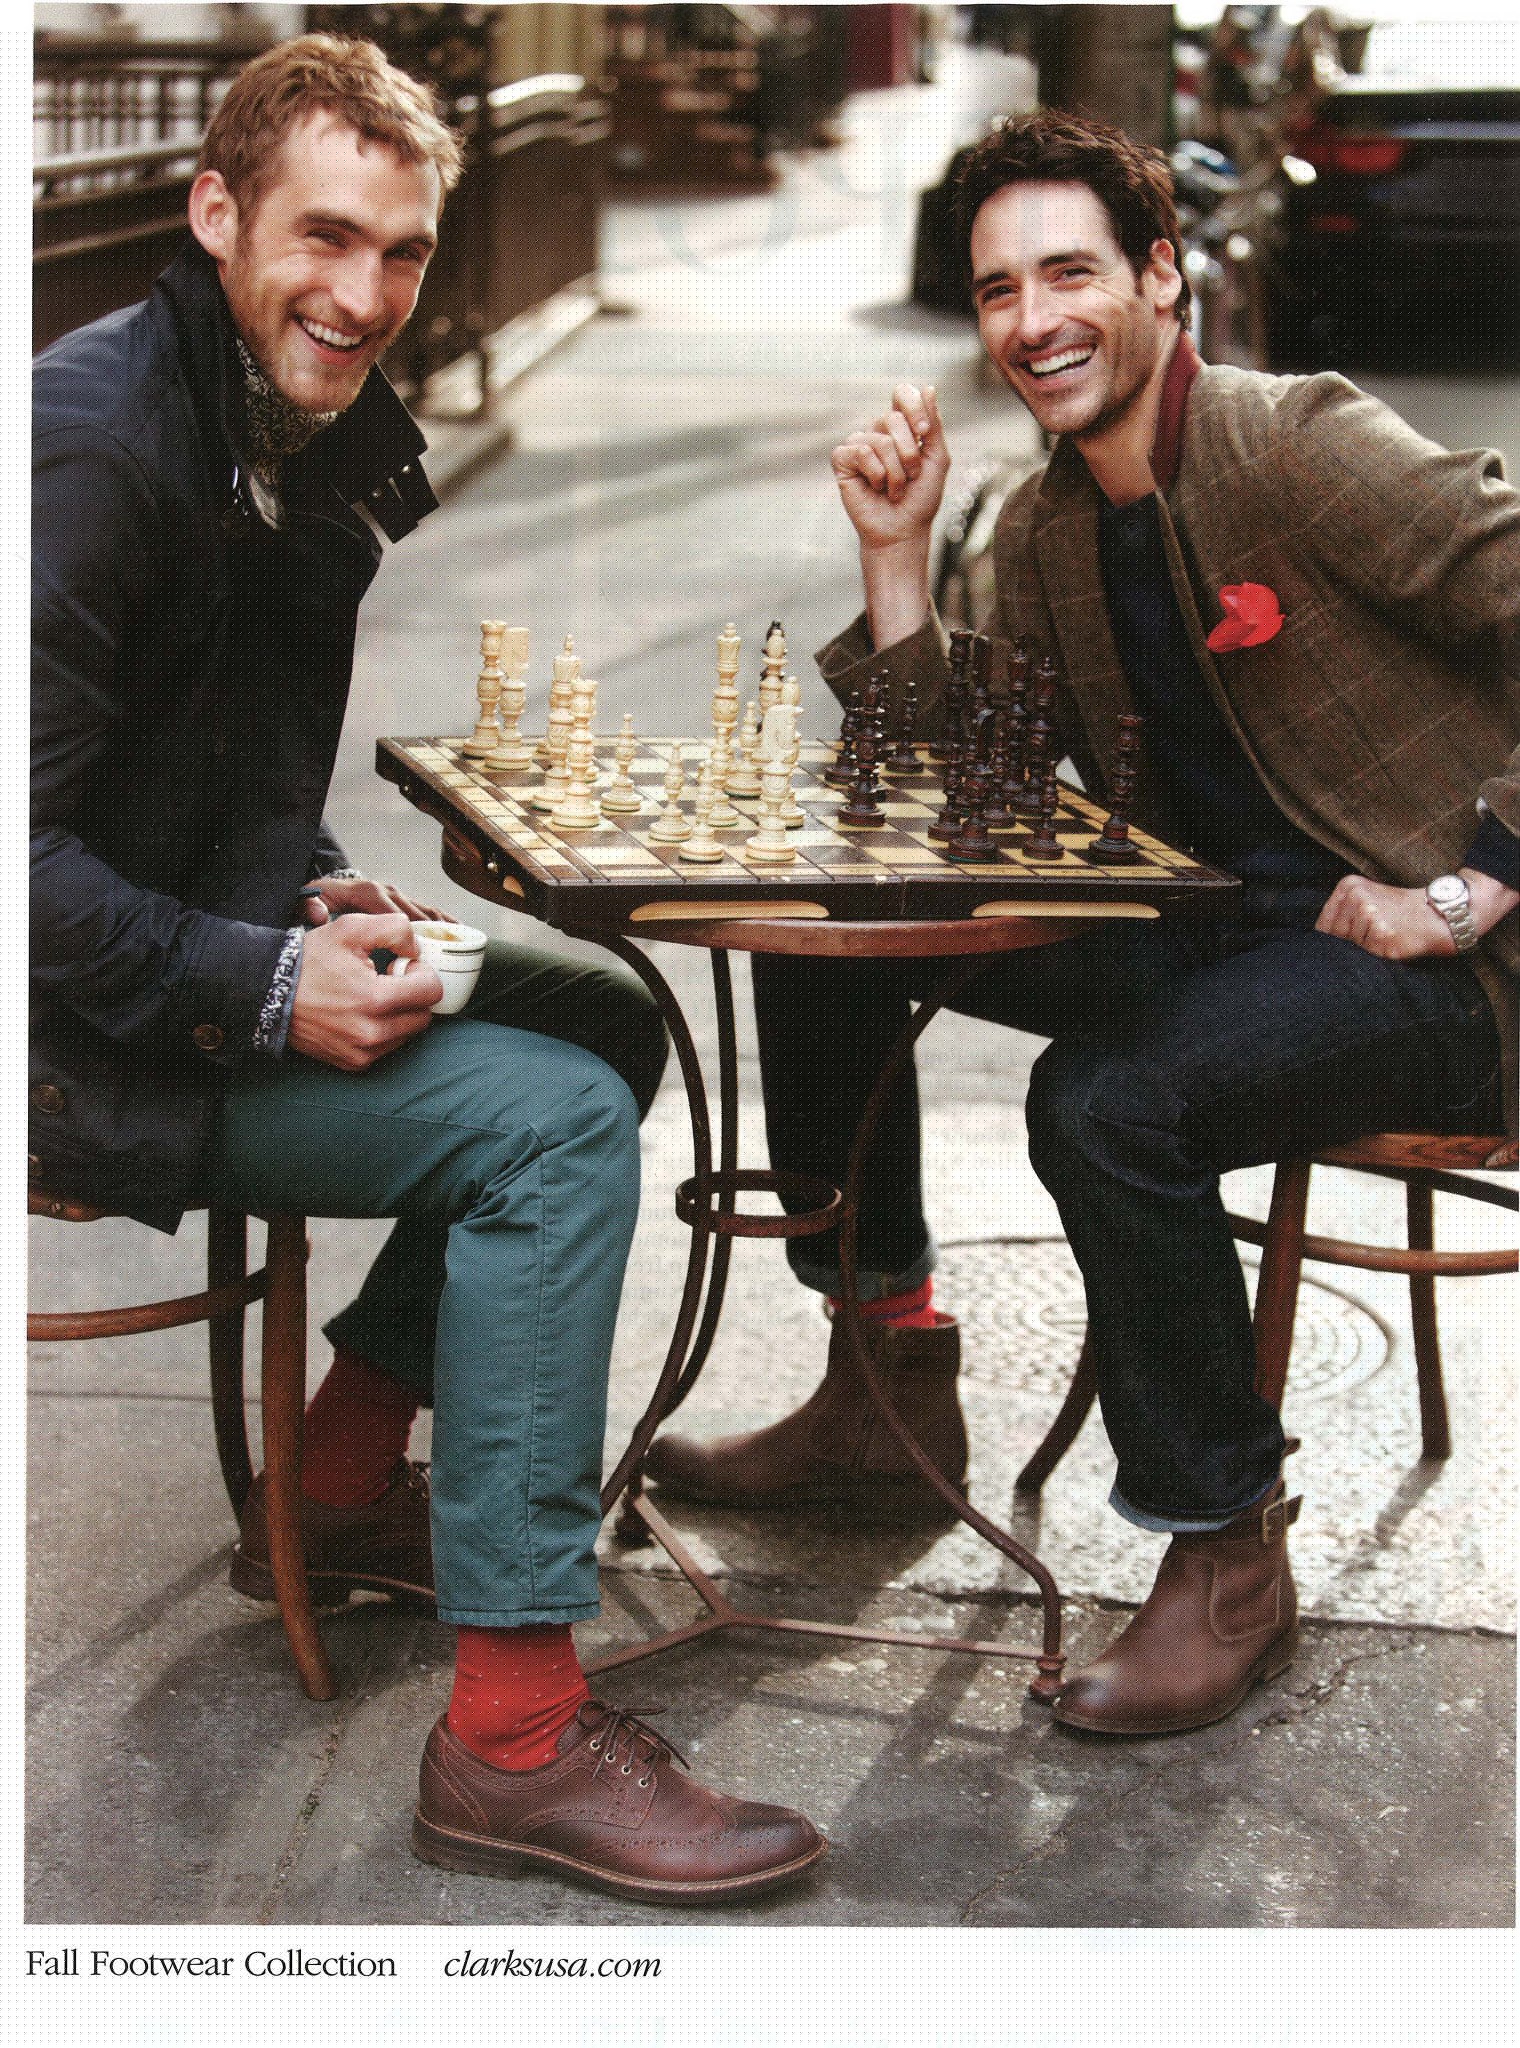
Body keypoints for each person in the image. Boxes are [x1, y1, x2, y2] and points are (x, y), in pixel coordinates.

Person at [31, 33, 825, 1901]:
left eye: (400, 253)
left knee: (603, 1018)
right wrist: (257, 982)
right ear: (214, 213)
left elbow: (188, 756)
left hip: (171, 959)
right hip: (71, 1037)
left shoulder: (276, 423)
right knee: (552, 1129)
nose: (365, 293)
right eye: (323, 236)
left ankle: (334, 1484)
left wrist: (304, 894)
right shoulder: (98, 444)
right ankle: (515, 1737)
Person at [644, 108, 1518, 1736]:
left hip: (1452, 973)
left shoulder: (1296, 443)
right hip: (1222, 930)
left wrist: (1473, 883)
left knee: (1111, 1101)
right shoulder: (1048, 525)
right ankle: (881, 1384)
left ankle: (1227, 1550)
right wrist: (897, 560)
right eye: (999, 289)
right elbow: (948, 806)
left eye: (1071, 274)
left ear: (1161, 277)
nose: (1035, 319)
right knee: (825, 930)